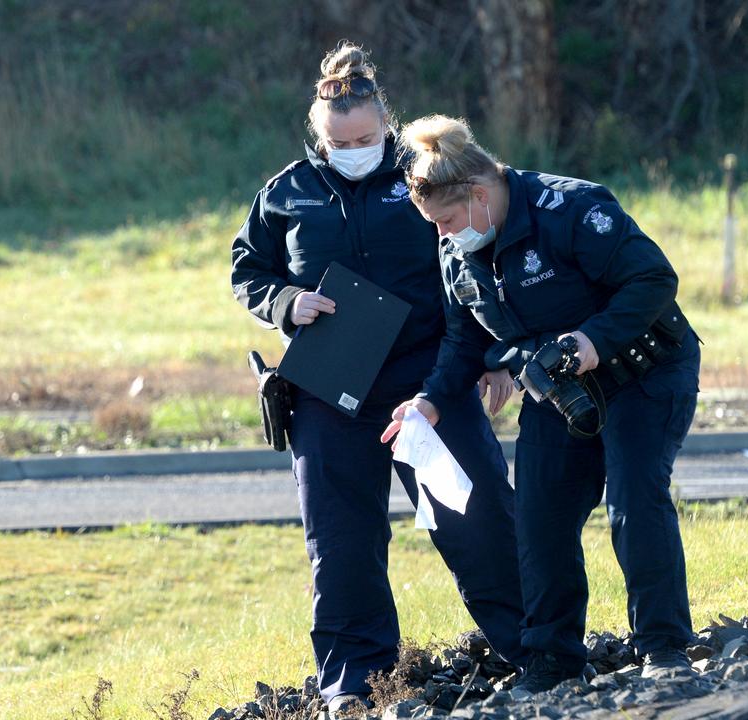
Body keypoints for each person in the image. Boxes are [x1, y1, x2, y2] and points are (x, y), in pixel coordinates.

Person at [229, 43, 531, 715]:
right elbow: (247, 268)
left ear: (387, 124)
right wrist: (285, 303)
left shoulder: (425, 176)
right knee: (340, 544)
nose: (354, 148)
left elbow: (479, 253)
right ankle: (355, 685)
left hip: (427, 381)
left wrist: (493, 355)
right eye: (340, 141)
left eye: (366, 137)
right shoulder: (287, 193)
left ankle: (535, 649)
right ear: (318, 136)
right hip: (327, 392)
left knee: (477, 516)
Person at [382, 114, 702, 695]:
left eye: (448, 220)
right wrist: (428, 403)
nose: (443, 235)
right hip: (561, 391)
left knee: (633, 498)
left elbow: (654, 280)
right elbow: (464, 342)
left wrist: (591, 343)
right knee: (540, 519)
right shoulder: (458, 253)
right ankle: (552, 661)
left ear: (479, 195)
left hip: (645, 372)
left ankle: (663, 649)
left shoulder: (571, 208)